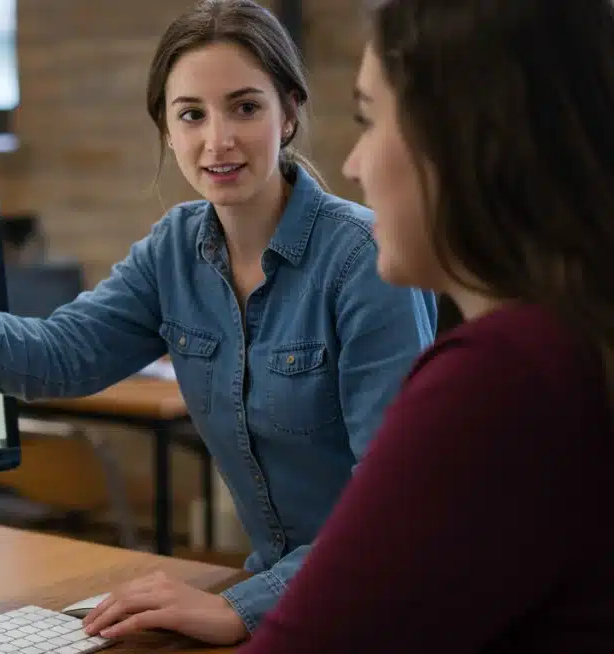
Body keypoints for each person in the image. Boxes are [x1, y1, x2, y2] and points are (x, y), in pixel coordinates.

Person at [0, 0, 436, 644]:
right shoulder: (175, 249)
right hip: (282, 599)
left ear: (289, 111)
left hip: (382, 605)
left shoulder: (361, 259)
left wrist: (242, 608)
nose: (218, 140)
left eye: (246, 107)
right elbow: (61, 355)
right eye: (192, 115)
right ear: (165, 127)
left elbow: (397, 505)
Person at [198, 0, 613, 651]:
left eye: (368, 119)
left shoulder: (502, 381)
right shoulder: (571, 336)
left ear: (466, 138)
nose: (356, 164)